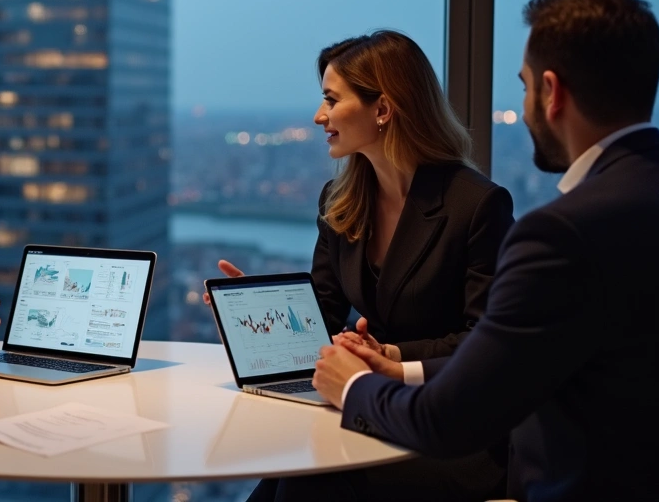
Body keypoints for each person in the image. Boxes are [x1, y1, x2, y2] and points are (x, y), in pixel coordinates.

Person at [315, 0, 659, 501]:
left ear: (552, 91)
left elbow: (448, 418)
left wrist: (355, 385)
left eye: (522, 87)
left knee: (313, 477)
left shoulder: (563, 234)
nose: (521, 110)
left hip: (547, 484)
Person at [213, 30, 515, 501]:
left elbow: (486, 344)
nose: (319, 117)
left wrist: (390, 357)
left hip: (448, 426)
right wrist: (256, 310)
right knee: (286, 473)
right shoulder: (340, 202)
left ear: (383, 109)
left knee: (304, 477)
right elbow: (321, 316)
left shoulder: (475, 205)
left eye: (332, 101)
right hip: (368, 409)